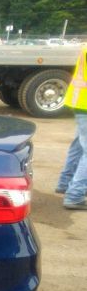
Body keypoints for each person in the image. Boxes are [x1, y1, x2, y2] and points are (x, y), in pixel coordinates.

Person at [57, 44, 87, 210]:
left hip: (80, 102)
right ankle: (75, 195)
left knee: (78, 147)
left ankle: (65, 182)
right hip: (86, 104)